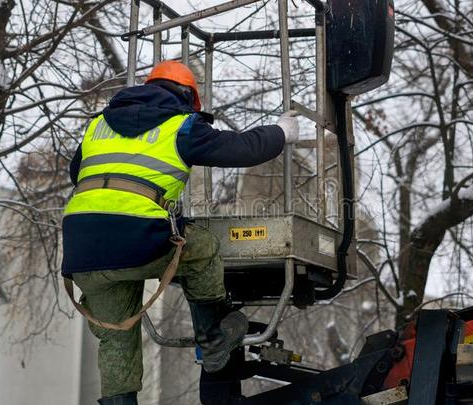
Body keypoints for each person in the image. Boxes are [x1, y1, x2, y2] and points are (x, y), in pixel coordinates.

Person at [61, 60, 299, 404]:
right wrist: (280, 132)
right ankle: (213, 339)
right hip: (137, 239)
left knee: (116, 337)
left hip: (81, 251)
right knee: (201, 246)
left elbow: (77, 174)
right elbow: (244, 148)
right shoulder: (181, 126)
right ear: (187, 97)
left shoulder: (97, 126)